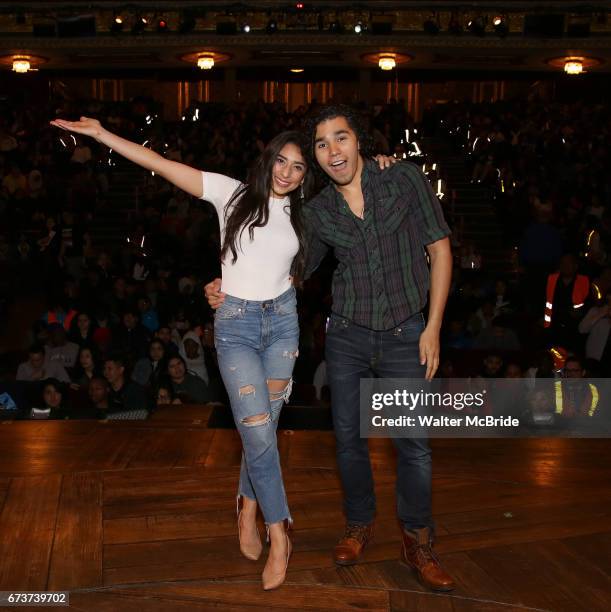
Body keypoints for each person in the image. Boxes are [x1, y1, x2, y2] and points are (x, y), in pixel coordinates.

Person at [49, 115, 399, 590]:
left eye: (298, 167)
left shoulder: (309, 212)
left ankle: (247, 503)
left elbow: (355, 189)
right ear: (269, 158)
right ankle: (281, 532)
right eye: (282, 161)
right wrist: (101, 134)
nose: (287, 172)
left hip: (283, 324)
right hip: (235, 327)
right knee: (257, 433)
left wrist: (381, 164)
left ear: (304, 176)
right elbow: (158, 162)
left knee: (263, 431)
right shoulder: (229, 193)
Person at [206, 104, 455, 591]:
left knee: (414, 446)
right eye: (321, 144)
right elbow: (284, 266)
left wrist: (434, 328)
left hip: (408, 333)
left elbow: (440, 248)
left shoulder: (402, 178)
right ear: (316, 158)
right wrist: (224, 285)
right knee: (348, 442)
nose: (332, 150)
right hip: (346, 335)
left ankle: (418, 541)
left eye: (340, 138)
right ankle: (359, 526)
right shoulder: (317, 212)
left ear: (358, 141)